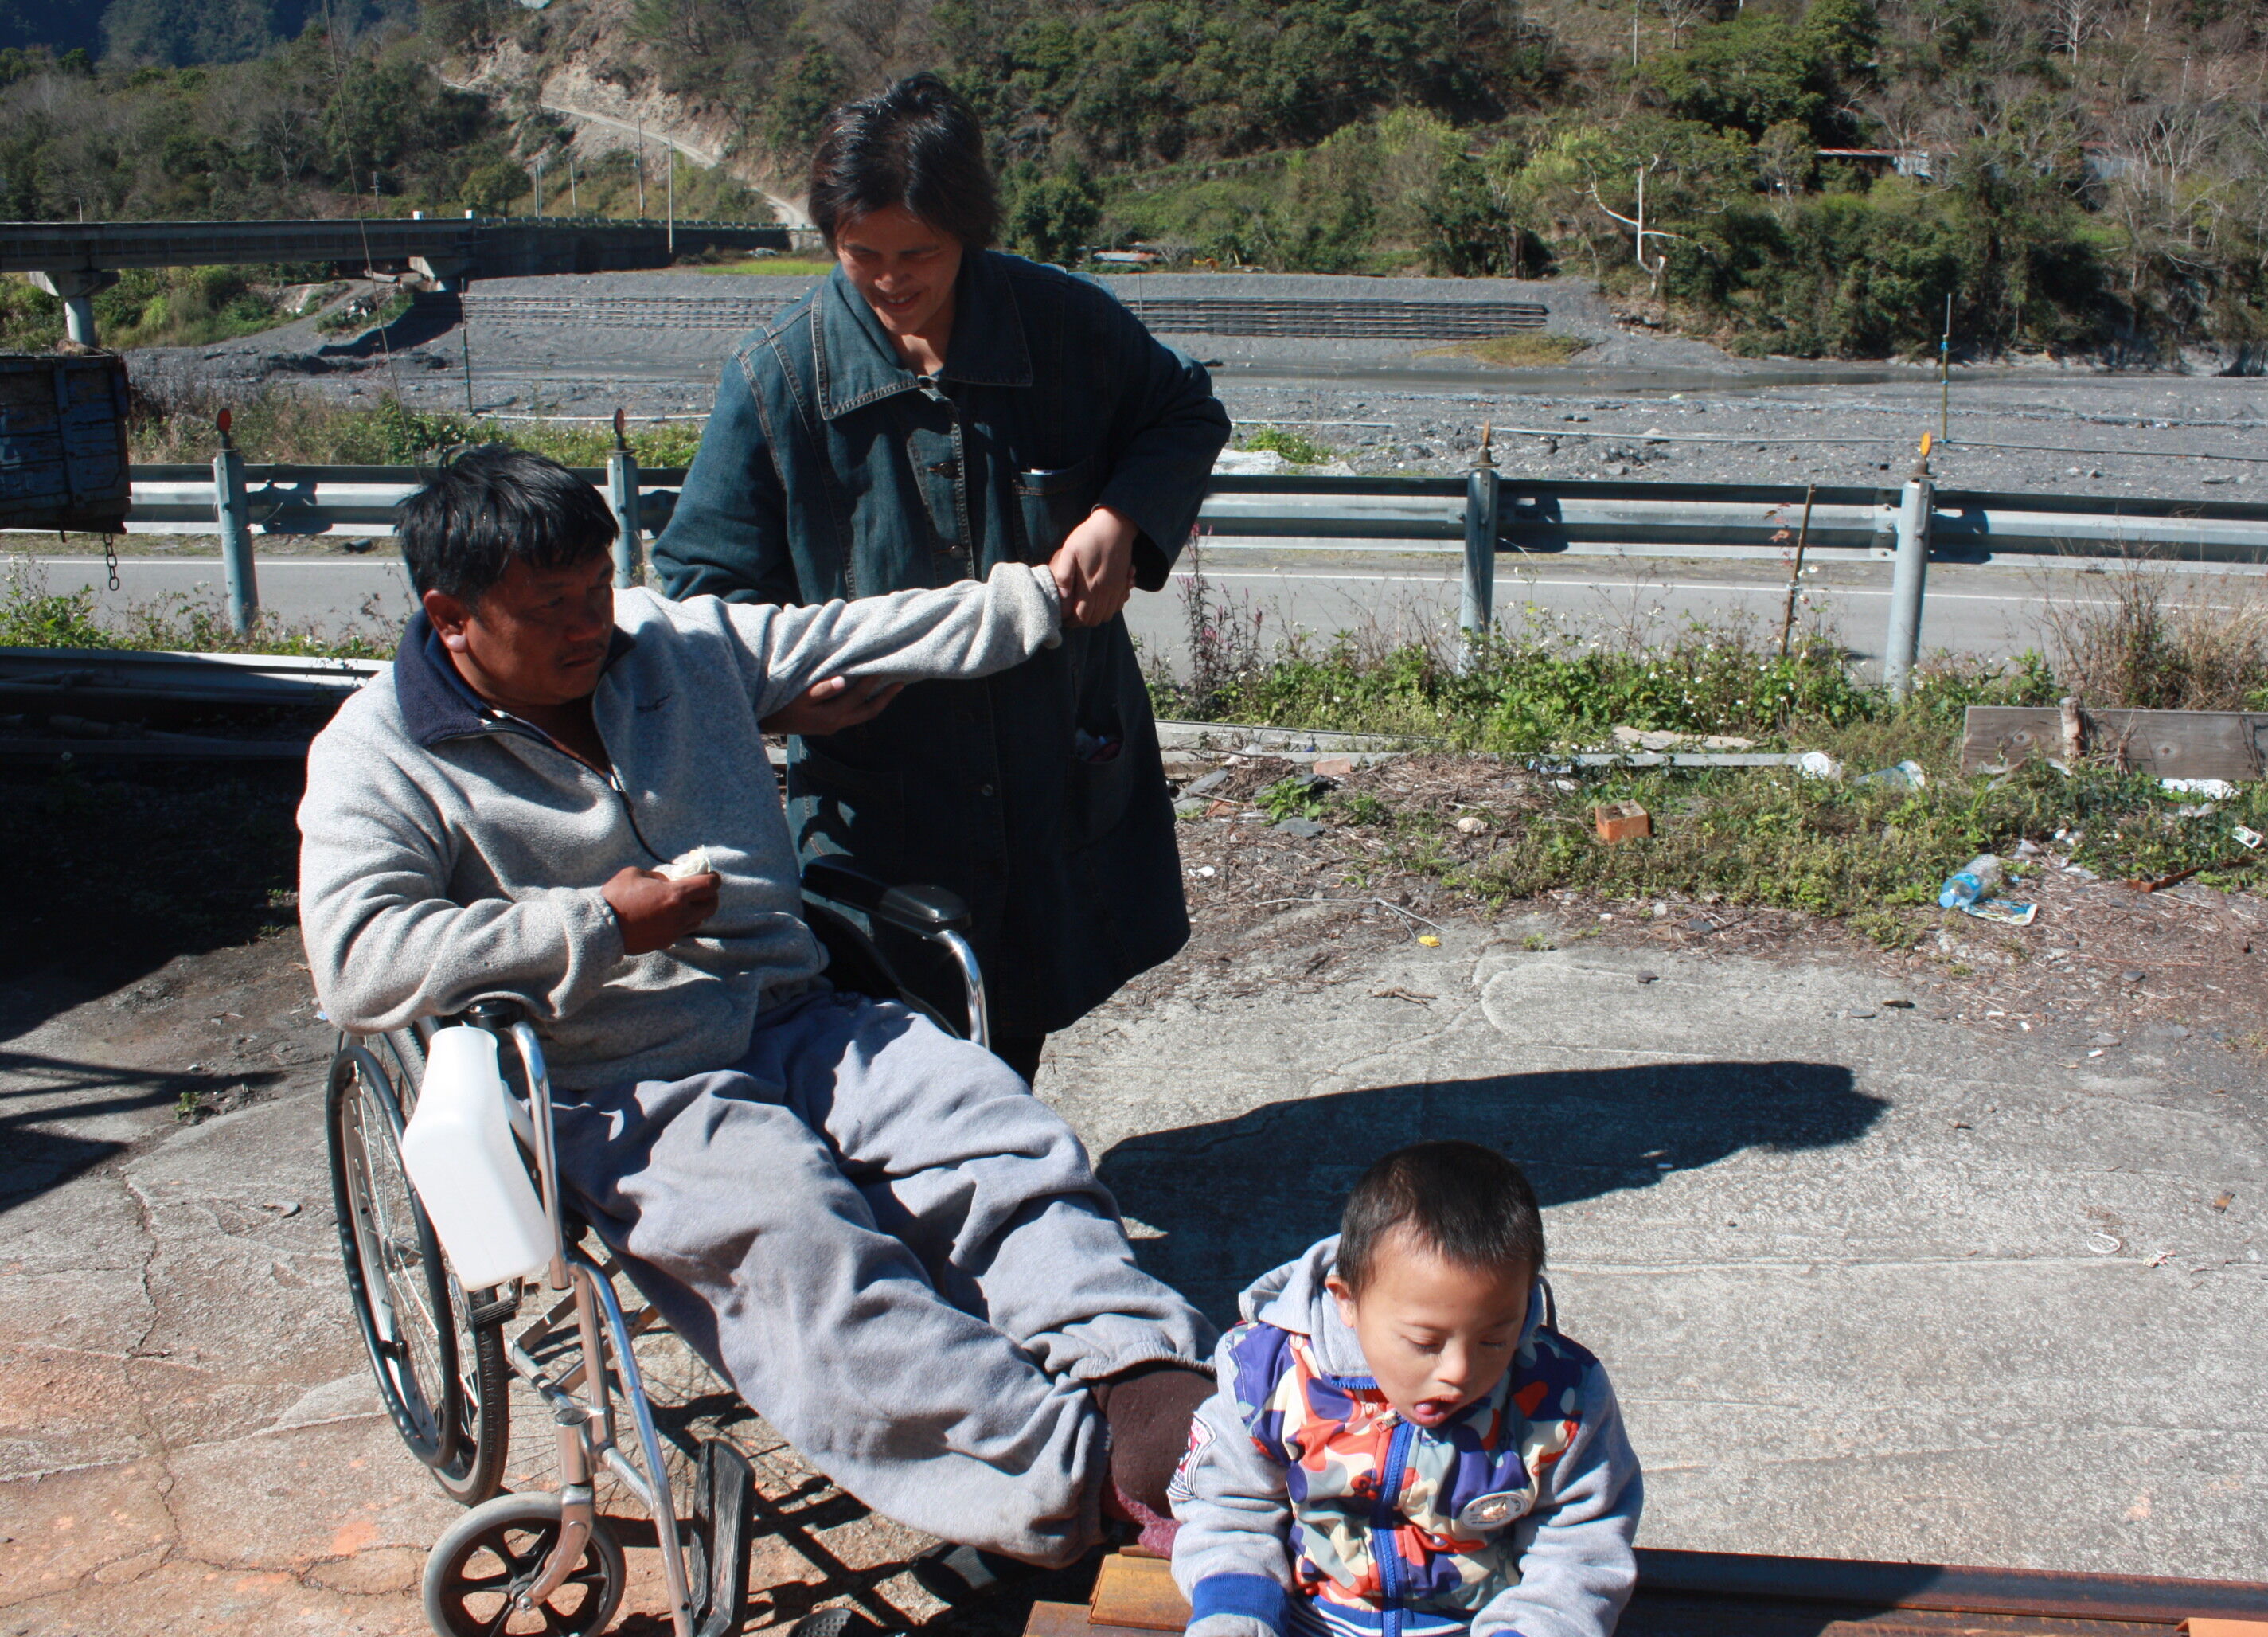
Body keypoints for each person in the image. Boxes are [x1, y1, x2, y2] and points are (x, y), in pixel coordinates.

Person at [298, 446, 1214, 1574]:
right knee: (803, 1246)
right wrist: (596, 925)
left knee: (993, 1129)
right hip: (621, 1082)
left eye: (597, 588)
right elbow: (357, 961)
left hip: (791, 1012)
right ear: (452, 618)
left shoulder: (668, 646)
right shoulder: (377, 755)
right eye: (553, 610)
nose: (593, 624)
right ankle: (1065, 1483)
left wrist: (1038, 598)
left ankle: (1146, 1388)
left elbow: (861, 632)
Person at [653, 72, 1232, 1086]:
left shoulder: (1061, 324)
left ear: (969, 230)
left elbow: (1182, 410)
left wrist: (1121, 515)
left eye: (918, 253)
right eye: (860, 254)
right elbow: (698, 593)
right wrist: (787, 696)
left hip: (1052, 750)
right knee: (882, 1043)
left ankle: (997, 1181)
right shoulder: (777, 380)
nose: (889, 279)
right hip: (882, 789)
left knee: (1016, 1007)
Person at [1170, 1142, 1643, 1637]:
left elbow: (1580, 1546)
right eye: (1425, 1342)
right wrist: (1238, 1611)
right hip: (1308, 1621)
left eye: (1494, 1339)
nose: (1459, 1371)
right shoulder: (1268, 1376)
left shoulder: (1561, 1399)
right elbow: (1230, 1507)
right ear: (1347, 1301)